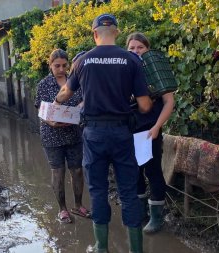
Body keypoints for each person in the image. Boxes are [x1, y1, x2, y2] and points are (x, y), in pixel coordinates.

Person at [54, 14, 152, 253]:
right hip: (121, 133)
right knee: (128, 191)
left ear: (95, 33)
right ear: (117, 33)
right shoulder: (131, 61)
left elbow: (65, 93)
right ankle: (136, 250)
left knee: (97, 189)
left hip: (94, 135)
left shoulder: (82, 61)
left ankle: (101, 247)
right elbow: (145, 106)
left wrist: (57, 99)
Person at [34, 49, 91, 224]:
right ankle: (63, 210)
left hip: (74, 133)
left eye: (64, 65)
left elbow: (85, 100)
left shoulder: (76, 82)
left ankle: (78, 205)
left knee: (77, 170)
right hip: (52, 135)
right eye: (56, 65)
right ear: (50, 65)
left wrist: (80, 107)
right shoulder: (43, 85)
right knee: (58, 172)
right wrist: (52, 122)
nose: (60, 69)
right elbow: (41, 110)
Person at [126, 32, 175, 233]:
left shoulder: (156, 71)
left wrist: (157, 127)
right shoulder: (124, 70)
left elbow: (169, 102)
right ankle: (140, 212)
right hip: (129, 129)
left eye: (140, 47)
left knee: (153, 171)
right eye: (132, 48)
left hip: (150, 130)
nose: (136, 51)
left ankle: (156, 218)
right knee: (133, 171)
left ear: (148, 49)